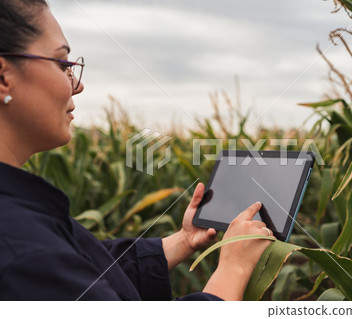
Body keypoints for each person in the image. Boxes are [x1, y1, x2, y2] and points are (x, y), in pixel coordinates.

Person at [0, 0, 273, 301]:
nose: (77, 85)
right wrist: (233, 268)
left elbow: (85, 269)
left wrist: (182, 241)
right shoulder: (19, 248)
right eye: (63, 64)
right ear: (3, 77)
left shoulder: (21, 224)